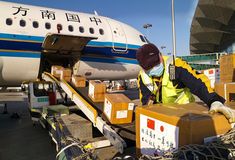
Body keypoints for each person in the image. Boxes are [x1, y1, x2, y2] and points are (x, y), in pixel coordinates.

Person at [136, 43, 235, 123]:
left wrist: (213, 101)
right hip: (163, 116)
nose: (154, 68)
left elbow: (198, 83)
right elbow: (146, 103)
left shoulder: (174, 67)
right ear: (143, 68)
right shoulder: (143, 77)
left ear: (160, 55)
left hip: (186, 114)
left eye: (156, 63)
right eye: (149, 67)